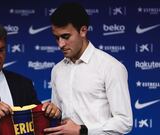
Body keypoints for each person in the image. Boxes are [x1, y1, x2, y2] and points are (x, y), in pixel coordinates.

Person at [44, 2, 133, 135]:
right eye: (57, 38)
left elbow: (124, 122)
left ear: (83, 31)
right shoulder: (57, 70)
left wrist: (83, 131)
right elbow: (59, 115)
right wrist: (54, 111)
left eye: (66, 37)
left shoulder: (111, 67)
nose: (60, 44)